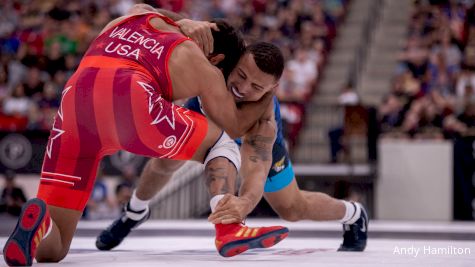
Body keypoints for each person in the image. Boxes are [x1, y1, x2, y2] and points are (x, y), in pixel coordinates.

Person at [2, 4, 279, 266]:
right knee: (220, 143)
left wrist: (185, 21)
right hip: (129, 98)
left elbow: (149, 9)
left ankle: (44, 224)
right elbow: (235, 125)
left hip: (74, 103)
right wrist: (266, 96)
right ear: (217, 59)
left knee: (55, 250)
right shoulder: (204, 66)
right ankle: (228, 227)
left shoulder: (135, 16)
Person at [96, 41, 368, 256]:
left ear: (272, 89)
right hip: (205, 121)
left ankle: (353, 213)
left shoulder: (264, 123)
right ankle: (135, 211)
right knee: (166, 160)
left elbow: (256, 170)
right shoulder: (216, 66)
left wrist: (245, 202)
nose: (242, 88)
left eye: (256, 86)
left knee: (292, 209)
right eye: (241, 75)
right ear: (234, 62)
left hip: (250, 144)